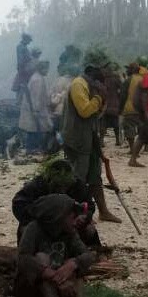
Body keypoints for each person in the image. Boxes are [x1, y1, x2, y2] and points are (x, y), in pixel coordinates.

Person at [61, 53, 121, 223]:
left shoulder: (90, 86)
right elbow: (85, 111)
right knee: (78, 177)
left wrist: (101, 99)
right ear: (92, 73)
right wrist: (98, 98)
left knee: (95, 175)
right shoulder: (79, 85)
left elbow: (96, 115)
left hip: (89, 137)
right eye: (100, 76)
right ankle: (75, 213)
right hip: (77, 139)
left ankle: (103, 211)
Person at [14, 194, 95, 297]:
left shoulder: (70, 233)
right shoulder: (34, 229)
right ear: (58, 217)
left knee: (75, 265)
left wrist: (73, 264)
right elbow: (23, 259)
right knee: (41, 258)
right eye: (72, 217)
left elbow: (88, 255)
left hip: (60, 289)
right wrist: (52, 275)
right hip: (32, 293)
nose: (75, 221)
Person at [12, 158, 99, 247]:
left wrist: (83, 216)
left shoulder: (77, 184)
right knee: (26, 229)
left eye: (65, 185)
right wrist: (42, 218)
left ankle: (95, 252)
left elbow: (90, 206)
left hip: (71, 225)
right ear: (49, 180)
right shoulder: (38, 185)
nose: (62, 189)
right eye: (58, 185)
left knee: (90, 229)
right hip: (43, 225)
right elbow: (18, 205)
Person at [19, 60, 53, 154]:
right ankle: (32, 150)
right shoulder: (37, 79)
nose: (47, 71)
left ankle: (33, 149)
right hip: (34, 109)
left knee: (34, 129)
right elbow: (35, 97)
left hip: (36, 109)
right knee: (35, 129)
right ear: (41, 68)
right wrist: (36, 110)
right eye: (46, 69)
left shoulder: (38, 77)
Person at [119, 63, 143, 149]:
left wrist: (120, 109)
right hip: (142, 110)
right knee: (142, 128)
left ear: (132, 70)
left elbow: (123, 96)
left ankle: (132, 149)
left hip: (130, 109)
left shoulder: (128, 80)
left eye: (128, 69)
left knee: (129, 128)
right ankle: (146, 147)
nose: (127, 70)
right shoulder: (144, 79)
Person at [100, 65, 122, 147]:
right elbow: (122, 89)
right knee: (116, 125)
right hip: (115, 105)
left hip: (105, 106)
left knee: (103, 125)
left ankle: (101, 141)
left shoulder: (103, 80)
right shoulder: (116, 79)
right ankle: (117, 140)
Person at [13, 33, 33, 103]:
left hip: (25, 69)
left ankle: (20, 101)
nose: (29, 42)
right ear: (25, 39)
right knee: (22, 85)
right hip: (23, 69)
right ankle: (18, 101)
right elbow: (21, 59)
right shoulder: (21, 47)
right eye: (28, 40)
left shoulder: (24, 47)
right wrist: (22, 69)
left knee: (23, 84)